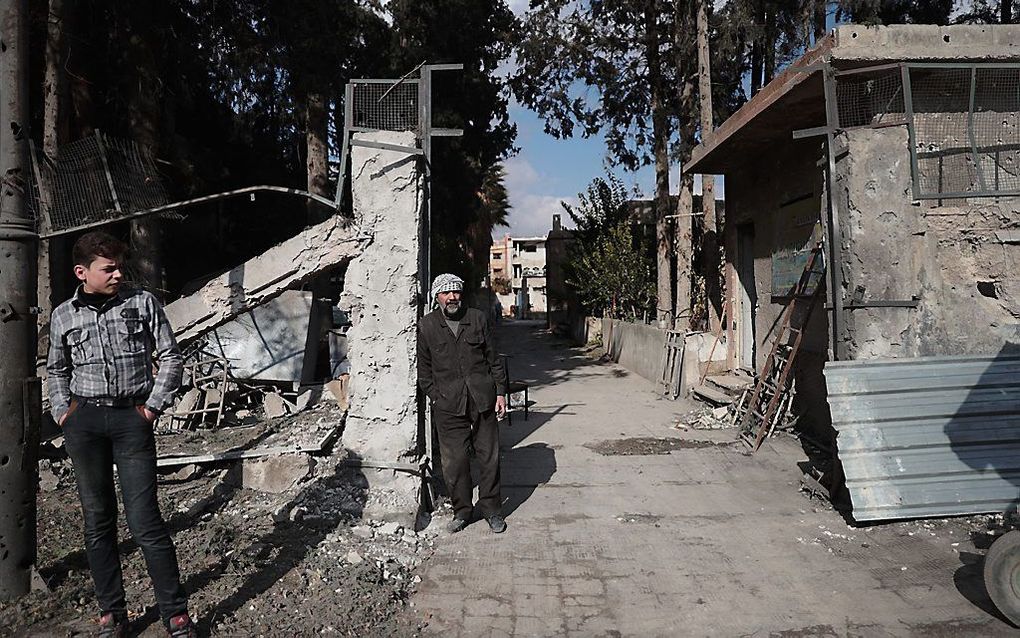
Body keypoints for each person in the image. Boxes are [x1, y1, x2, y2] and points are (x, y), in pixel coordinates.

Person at [46, 231, 197, 638]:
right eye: (107, 268)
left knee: (146, 521)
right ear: (83, 272)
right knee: (98, 522)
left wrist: (151, 407)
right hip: (86, 425)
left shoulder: (142, 303)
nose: (117, 274)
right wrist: (64, 413)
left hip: (132, 422)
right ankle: (112, 613)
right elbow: (56, 369)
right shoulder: (63, 315)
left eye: (119, 267)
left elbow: (170, 356)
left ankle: (175, 613)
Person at [417, 274, 508, 534]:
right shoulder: (427, 326)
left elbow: (493, 359)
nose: (452, 297)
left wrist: (500, 393)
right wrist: (435, 396)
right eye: (446, 293)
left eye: (456, 292)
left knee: (489, 458)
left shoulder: (477, 319)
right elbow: (424, 370)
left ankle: (492, 511)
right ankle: (463, 511)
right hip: (448, 403)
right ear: (437, 297)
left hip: (482, 399)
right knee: (454, 462)